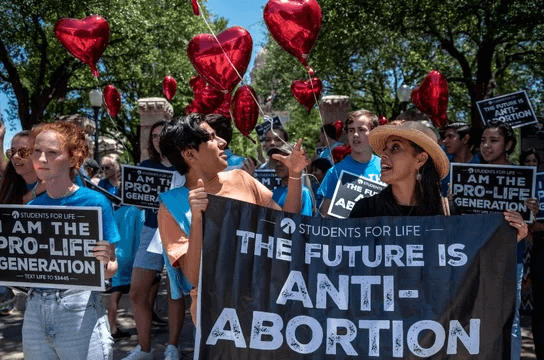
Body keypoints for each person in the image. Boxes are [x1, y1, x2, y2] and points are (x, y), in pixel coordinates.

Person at [157, 113, 309, 326]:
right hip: (218, 318)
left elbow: (285, 227)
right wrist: (198, 219)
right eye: (211, 138)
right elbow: (194, 277)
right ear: (190, 154)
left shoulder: (242, 178)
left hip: (266, 304)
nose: (223, 142)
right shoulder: (170, 206)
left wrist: (295, 175)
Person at [24, 121, 119, 359]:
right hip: (35, 309)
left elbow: (111, 269)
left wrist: (105, 262)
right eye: (37, 151)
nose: (41, 159)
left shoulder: (95, 203)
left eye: (52, 153)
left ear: (73, 157)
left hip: (78, 308)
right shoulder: (32, 207)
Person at [466, 120, 530, 360]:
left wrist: (527, 222)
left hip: (510, 261)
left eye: (494, 141)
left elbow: (530, 229)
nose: (486, 146)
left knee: (507, 321)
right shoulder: (470, 176)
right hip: (476, 260)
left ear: (508, 144)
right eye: (483, 141)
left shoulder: (524, 179)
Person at [124, 120, 187, 360]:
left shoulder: (185, 164)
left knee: (175, 292)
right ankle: (144, 349)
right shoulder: (145, 166)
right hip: (151, 230)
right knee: (137, 292)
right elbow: (140, 201)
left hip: (178, 233)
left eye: (163, 134)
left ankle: (172, 347)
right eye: (154, 136)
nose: (158, 139)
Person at [318, 109, 382, 216]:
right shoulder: (335, 172)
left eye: (361, 129)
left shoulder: (386, 168)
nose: (355, 134)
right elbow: (325, 216)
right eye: (351, 130)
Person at [521, 149, 544, 359]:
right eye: (526, 161)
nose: (530, 164)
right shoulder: (518, 182)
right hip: (528, 248)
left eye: (534, 161)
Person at [268, 142, 315, 216]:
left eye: (286, 159)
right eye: (277, 160)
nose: (278, 164)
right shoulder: (273, 193)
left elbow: (304, 223)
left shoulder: (303, 192)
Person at [441, 122, 481, 195]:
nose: (445, 141)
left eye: (450, 136)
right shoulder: (443, 164)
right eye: (445, 137)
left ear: (465, 139)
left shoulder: (481, 163)